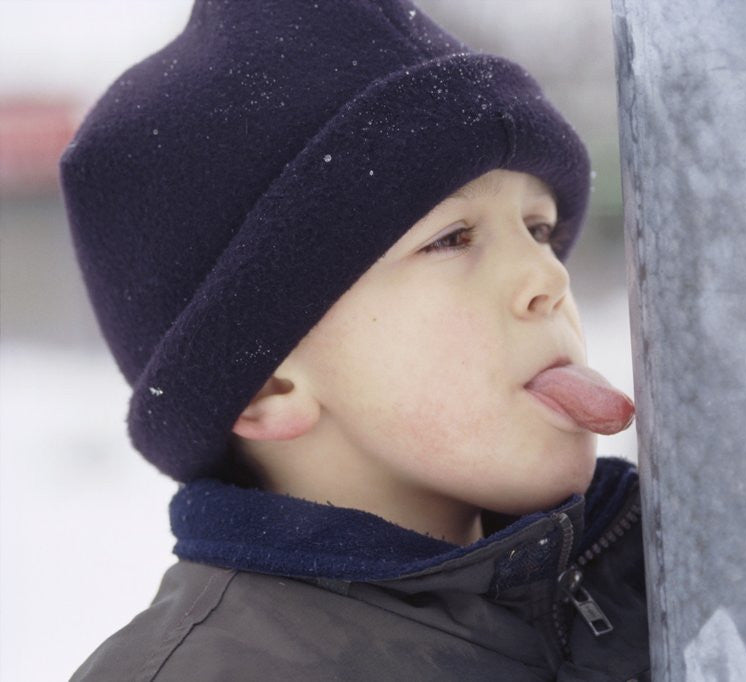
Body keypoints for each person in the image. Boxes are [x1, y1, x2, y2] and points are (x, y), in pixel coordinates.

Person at [59, 0, 649, 679]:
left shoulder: (664, 577)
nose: (547, 276)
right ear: (268, 383)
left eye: (539, 229)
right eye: (452, 238)